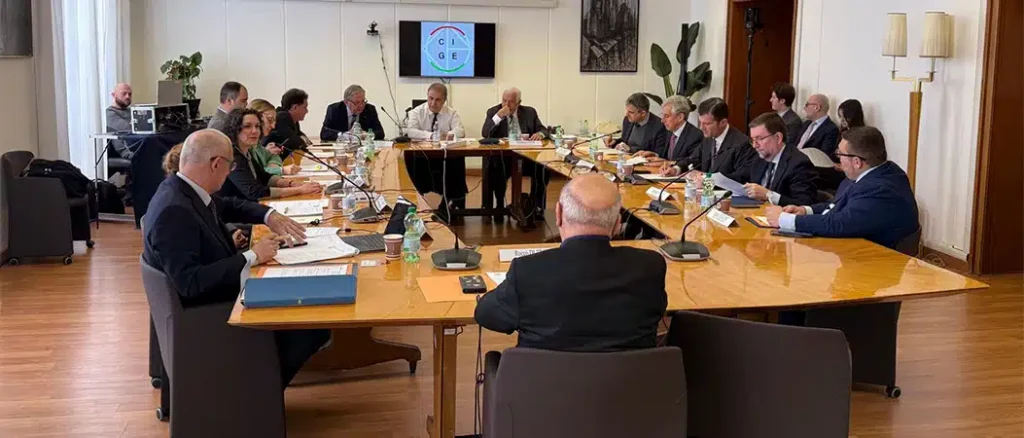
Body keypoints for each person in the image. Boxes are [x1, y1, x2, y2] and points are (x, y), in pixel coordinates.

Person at [142, 129, 329, 387]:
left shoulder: (180, 189)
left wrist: (269, 215)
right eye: (230, 166)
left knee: (303, 293)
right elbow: (191, 283)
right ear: (216, 164)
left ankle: (259, 389)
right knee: (312, 323)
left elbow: (229, 205)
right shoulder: (174, 211)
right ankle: (257, 392)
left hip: (218, 295)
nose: (229, 173)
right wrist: (253, 255)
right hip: (212, 314)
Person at [475, 173, 667, 352]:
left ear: (558, 214)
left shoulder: (528, 271)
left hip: (547, 378)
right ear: (618, 223)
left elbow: (486, 314)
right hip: (631, 378)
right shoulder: (650, 267)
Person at [766, 126, 919, 250]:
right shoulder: (875, 171)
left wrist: (785, 220)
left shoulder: (880, 189)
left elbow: (840, 223)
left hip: (876, 261)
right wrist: (805, 211)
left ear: (857, 162)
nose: (838, 158)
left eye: (840, 154)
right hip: (856, 249)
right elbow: (837, 205)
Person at [217, 109, 321, 201]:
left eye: (257, 126)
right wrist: (300, 190)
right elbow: (255, 192)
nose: (255, 131)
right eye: (247, 126)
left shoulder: (246, 151)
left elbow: (264, 177)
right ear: (234, 129)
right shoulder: (232, 155)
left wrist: (291, 184)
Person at [162, 142, 249, 250]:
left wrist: (231, 232)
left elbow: (221, 210)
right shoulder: (176, 209)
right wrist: (253, 254)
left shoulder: (191, 190)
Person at [481, 87, 549, 221]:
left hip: (526, 157)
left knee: (543, 169)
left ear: (519, 102)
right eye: (504, 101)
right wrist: (498, 117)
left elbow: (543, 130)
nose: (506, 105)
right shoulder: (493, 112)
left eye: (511, 102)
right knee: (495, 169)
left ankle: (535, 205)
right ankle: (499, 205)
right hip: (503, 158)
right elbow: (485, 133)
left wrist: (540, 134)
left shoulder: (529, 112)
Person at [404, 83, 467, 223]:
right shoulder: (416, 112)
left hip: (444, 156)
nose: (433, 103)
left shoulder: (451, 113)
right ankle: (415, 204)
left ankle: (449, 205)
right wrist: (432, 135)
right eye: (430, 98)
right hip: (422, 156)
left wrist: (447, 135)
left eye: (438, 100)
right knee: (410, 162)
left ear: (444, 100)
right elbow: (411, 131)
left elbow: (460, 131)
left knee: (456, 160)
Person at [659, 97, 756, 182]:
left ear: (723, 122)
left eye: (707, 124)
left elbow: (741, 177)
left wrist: (707, 178)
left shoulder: (742, 144)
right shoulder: (709, 138)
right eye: (700, 122)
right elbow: (693, 159)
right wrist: (676, 169)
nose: (701, 128)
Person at [738, 112, 817, 206]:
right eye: (753, 140)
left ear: (778, 137)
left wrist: (768, 195)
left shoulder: (799, 163)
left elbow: (804, 204)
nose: (755, 145)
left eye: (759, 138)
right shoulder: (759, 157)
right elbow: (740, 177)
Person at [635, 95, 702, 164]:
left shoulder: (695, 136)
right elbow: (666, 157)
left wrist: (668, 163)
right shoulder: (669, 131)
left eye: (666, 116)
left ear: (680, 117)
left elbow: (690, 163)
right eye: (662, 115)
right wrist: (655, 155)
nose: (662, 120)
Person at [248, 99, 299, 176]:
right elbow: (255, 174)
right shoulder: (247, 144)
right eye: (270, 120)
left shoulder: (257, 144)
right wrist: (281, 170)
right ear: (257, 118)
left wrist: (272, 166)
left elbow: (274, 156)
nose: (273, 126)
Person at [320, 84, 385, 141]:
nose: (361, 105)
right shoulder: (334, 109)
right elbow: (324, 133)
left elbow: (380, 133)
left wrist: (367, 135)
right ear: (346, 102)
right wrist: (344, 135)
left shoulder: (370, 109)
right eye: (357, 102)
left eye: (363, 101)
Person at [791, 93, 840, 159]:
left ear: (817, 107)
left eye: (807, 105)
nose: (804, 108)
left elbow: (823, 156)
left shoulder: (831, 129)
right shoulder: (806, 123)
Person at [268, 88, 313, 156]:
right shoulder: (281, 118)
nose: (307, 111)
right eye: (305, 107)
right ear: (295, 107)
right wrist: (303, 141)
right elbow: (296, 143)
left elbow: (304, 140)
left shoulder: (292, 119)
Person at [106, 83, 134, 159]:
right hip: (127, 152)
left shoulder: (132, 111)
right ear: (114, 95)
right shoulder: (110, 113)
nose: (127, 96)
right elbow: (128, 129)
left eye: (130, 94)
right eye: (124, 94)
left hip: (139, 145)